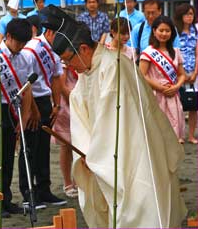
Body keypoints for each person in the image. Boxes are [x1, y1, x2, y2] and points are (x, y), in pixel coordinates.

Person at [51, 15, 186, 227]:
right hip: (102, 153)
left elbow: (115, 121)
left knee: (140, 202)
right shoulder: (87, 70)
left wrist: (94, 153)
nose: (68, 66)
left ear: (84, 49)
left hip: (132, 148)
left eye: (69, 59)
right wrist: (86, 150)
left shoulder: (114, 65)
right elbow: (81, 111)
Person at [0, 18, 33, 218]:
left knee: (8, 156)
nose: (21, 47)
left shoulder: (24, 58)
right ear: (8, 36)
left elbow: (27, 90)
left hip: (11, 109)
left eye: (24, 43)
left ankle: (6, 199)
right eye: (18, 42)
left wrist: (24, 117)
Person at [19, 5, 70, 209]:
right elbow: (26, 83)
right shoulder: (32, 49)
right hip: (32, 101)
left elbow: (57, 78)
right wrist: (30, 108)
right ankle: (27, 192)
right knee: (29, 148)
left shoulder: (55, 51)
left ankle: (44, 189)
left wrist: (57, 104)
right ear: (49, 32)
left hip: (47, 100)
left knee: (43, 149)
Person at [139, 15, 186, 143]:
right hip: (156, 96)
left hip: (172, 96)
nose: (164, 33)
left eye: (167, 30)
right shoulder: (148, 52)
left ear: (172, 33)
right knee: (157, 134)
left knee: (174, 132)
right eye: (161, 30)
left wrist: (176, 87)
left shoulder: (176, 52)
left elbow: (182, 74)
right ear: (154, 31)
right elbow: (142, 75)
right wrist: (160, 88)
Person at [174, 3, 198, 144]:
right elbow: (174, 53)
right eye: (187, 14)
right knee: (179, 104)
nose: (190, 17)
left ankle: (191, 135)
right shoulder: (175, 31)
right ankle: (179, 135)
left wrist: (195, 72)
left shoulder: (195, 30)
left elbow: (197, 52)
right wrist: (181, 74)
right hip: (179, 71)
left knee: (194, 105)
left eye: (191, 14)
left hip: (194, 71)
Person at [53, 64, 78, 198]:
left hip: (81, 102)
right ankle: (68, 182)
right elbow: (62, 86)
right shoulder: (63, 60)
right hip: (67, 105)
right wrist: (74, 102)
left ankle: (78, 181)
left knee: (82, 144)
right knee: (66, 144)